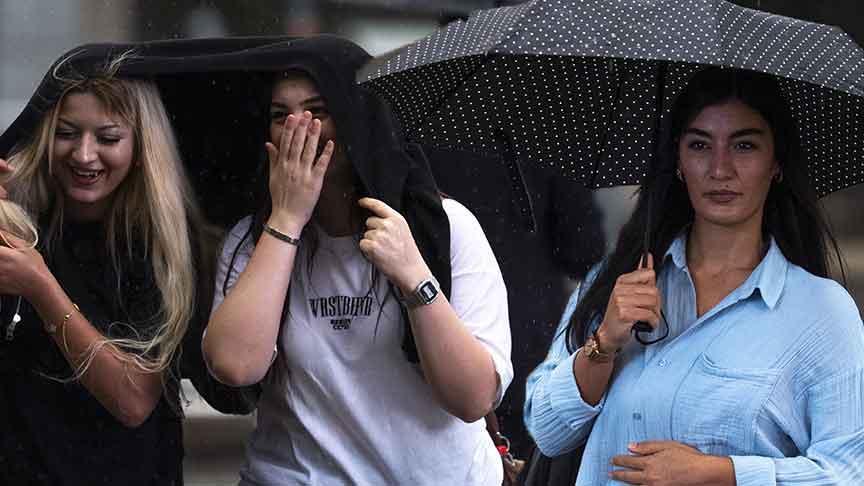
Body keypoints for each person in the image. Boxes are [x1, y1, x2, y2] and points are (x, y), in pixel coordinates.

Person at [524, 67, 864, 485]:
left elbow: (847, 473)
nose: (720, 169)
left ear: (776, 163)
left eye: (744, 145)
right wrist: (605, 343)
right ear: (680, 162)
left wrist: (719, 473)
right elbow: (546, 431)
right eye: (700, 145)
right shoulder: (617, 284)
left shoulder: (821, 312)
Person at [202, 36, 513, 485]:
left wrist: (414, 278)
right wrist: (288, 218)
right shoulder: (253, 238)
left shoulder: (445, 227)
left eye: (318, 110)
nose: (298, 128)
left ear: (357, 120)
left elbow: (473, 398)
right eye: (278, 115)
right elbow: (234, 366)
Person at [0, 52, 254, 485]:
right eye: (65, 134)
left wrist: (40, 285)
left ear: (141, 146)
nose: (83, 155)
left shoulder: (164, 245)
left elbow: (134, 399)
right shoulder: (18, 221)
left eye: (108, 137)